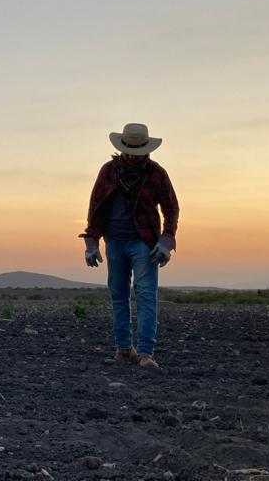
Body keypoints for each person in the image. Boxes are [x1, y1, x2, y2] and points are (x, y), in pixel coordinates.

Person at [80, 123, 180, 369]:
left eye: (137, 152)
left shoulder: (157, 174)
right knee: (119, 295)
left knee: (146, 296)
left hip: (144, 244)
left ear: (146, 150)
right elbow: (95, 208)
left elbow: (171, 210)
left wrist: (166, 241)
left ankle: (145, 353)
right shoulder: (108, 171)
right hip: (114, 241)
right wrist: (91, 243)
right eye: (129, 151)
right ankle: (124, 348)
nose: (132, 157)